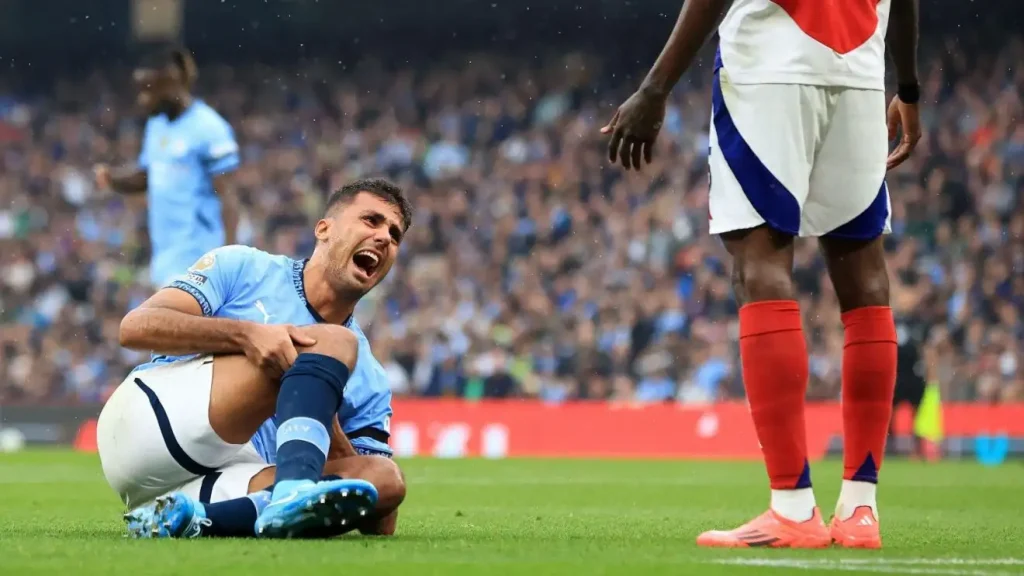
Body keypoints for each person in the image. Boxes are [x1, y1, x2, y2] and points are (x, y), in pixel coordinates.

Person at [602, 0, 922, 549]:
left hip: (772, 62)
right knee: (864, 277)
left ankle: (794, 507)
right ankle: (860, 509)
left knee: (761, 264)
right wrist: (909, 87)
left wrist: (656, 87)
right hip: (860, 69)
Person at [97, 178, 411, 539]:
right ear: (324, 229)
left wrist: (323, 405)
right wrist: (247, 335)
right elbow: (135, 327)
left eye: (395, 234)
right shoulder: (245, 267)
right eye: (371, 221)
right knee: (330, 343)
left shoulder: (369, 377)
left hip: (227, 478)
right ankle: (290, 493)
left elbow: (378, 516)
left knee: (387, 478)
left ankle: (195, 519)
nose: (384, 237)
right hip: (148, 429)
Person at [94, 45, 240, 288]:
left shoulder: (209, 128)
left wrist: (230, 262)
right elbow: (149, 176)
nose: (142, 100)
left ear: (171, 84)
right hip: (165, 255)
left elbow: (228, 197)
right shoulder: (156, 126)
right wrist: (113, 179)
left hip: (199, 255)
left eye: (148, 91)